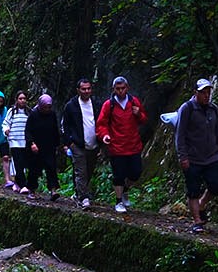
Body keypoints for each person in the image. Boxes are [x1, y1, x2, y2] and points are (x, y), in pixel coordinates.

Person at [174, 78, 218, 233]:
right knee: (193, 189)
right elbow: (180, 134)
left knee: (216, 185)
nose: (206, 95)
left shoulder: (213, 109)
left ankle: (203, 203)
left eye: (208, 92)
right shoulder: (187, 108)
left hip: (211, 156)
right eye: (203, 92)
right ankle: (197, 221)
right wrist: (183, 156)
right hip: (192, 157)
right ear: (196, 93)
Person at [97, 75, 151, 212]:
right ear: (113, 89)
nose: (120, 91)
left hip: (133, 145)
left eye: (123, 88)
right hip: (117, 146)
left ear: (127, 88)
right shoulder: (109, 105)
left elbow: (144, 120)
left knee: (136, 172)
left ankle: (125, 190)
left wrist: (138, 114)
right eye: (118, 89)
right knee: (118, 174)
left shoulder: (134, 102)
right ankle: (119, 201)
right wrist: (105, 136)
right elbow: (101, 124)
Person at [64, 78, 102, 208]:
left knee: (89, 170)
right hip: (78, 144)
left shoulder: (96, 103)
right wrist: (69, 143)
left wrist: (102, 143)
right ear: (78, 90)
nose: (86, 91)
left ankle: (77, 193)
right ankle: (84, 198)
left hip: (94, 144)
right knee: (81, 171)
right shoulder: (71, 105)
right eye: (83, 89)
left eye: (88, 88)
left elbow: (101, 122)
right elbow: (65, 125)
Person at [25, 92, 65, 199]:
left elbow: (55, 129)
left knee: (51, 168)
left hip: (49, 146)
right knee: (34, 169)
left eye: (49, 107)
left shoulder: (52, 114)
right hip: (36, 147)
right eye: (46, 107)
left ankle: (53, 190)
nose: (47, 109)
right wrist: (31, 143)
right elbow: (28, 130)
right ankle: (32, 190)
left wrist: (57, 144)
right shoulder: (34, 114)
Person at [4, 91, 32, 193]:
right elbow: (5, 123)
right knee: (17, 162)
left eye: (24, 98)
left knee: (24, 162)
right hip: (14, 141)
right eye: (20, 98)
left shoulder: (29, 112)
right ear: (16, 100)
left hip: (25, 141)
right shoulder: (12, 111)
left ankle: (16, 182)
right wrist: (6, 130)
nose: (22, 100)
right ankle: (23, 185)